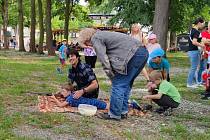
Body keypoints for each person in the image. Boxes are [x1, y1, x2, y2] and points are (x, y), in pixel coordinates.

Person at [78, 28, 148, 120]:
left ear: (86, 39)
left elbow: (103, 59)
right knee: (126, 84)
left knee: (118, 85)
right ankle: (123, 111)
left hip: (133, 54)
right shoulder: (104, 34)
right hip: (142, 53)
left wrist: (111, 76)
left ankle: (114, 114)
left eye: (86, 44)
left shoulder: (96, 38)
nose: (89, 46)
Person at [187, 17, 205, 88]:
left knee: (193, 67)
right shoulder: (196, 32)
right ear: (199, 23)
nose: (203, 25)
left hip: (191, 51)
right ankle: (189, 83)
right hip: (194, 51)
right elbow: (194, 42)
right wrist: (202, 45)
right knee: (193, 68)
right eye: (203, 23)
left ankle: (193, 82)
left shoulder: (192, 30)